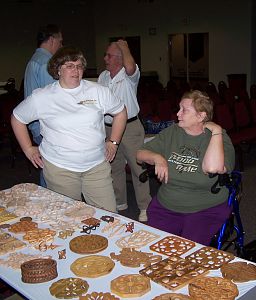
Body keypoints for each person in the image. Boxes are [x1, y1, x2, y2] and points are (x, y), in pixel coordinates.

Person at [11, 46, 127, 212]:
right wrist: (28, 149)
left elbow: (120, 111)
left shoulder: (98, 91)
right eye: (70, 66)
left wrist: (113, 142)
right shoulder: (42, 97)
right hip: (60, 169)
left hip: (96, 167)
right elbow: (17, 118)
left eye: (79, 66)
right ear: (58, 69)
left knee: (109, 216)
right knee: (68, 219)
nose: (76, 70)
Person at [136, 90, 235, 245]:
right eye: (179, 109)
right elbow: (140, 154)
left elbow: (213, 167)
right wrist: (158, 158)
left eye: (184, 110)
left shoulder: (218, 137)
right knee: (154, 247)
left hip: (203, 209)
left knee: (187, 253)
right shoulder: (173, 132)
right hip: (166, 204)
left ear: (201, 116)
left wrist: (215, 131)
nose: (178, 114)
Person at [98, 40, 151, 222]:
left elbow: (130, 66)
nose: (105, 58)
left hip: (130, 128)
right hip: (109, 127)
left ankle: (144, 206)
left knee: (138, 168)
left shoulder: (129, 75)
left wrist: (125, 47)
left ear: (120, 59)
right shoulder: (103, 77)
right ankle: (120, 202)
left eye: (109, 55)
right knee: (114, 166)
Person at [24, 24, 63, 187]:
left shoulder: (34, 60)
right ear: (52, 40)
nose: (61, 46)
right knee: (54, 174)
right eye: (60, 41)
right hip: (47, 127)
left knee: (47, 169)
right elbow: (55, 101)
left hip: (36, 124)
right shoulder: (47, 63)